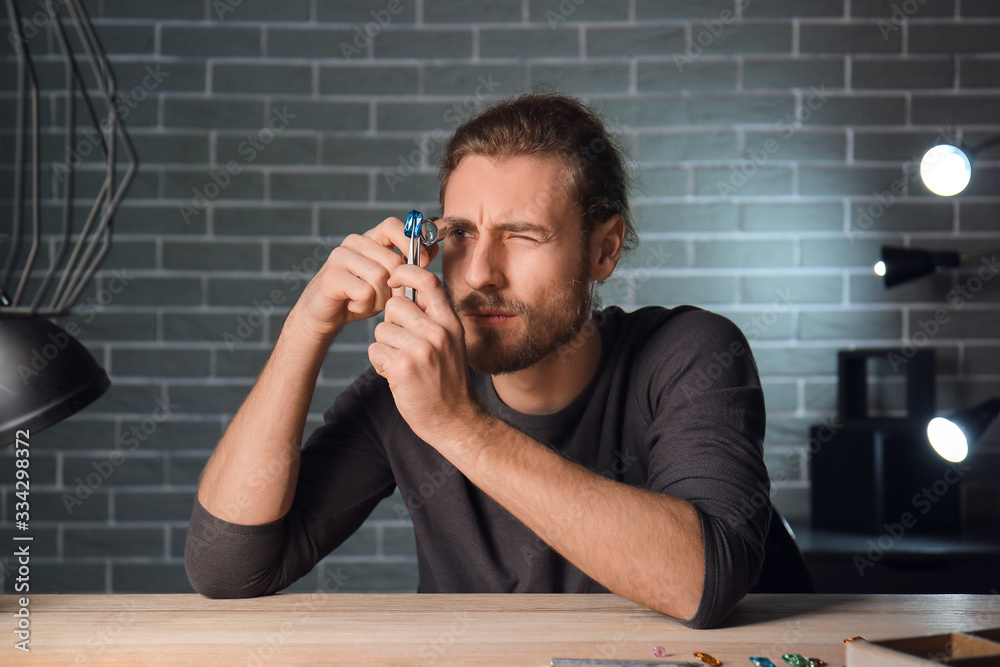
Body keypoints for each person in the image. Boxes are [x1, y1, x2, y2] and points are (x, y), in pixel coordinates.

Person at [184, 92, 769, 630]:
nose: (482, 271)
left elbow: (705, 581)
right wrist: (305, 327)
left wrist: (454, 424)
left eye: (522, 235)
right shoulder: (411, 388)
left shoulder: (688, 353)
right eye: (461, 233)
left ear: (603, 248)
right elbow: (227, 569)